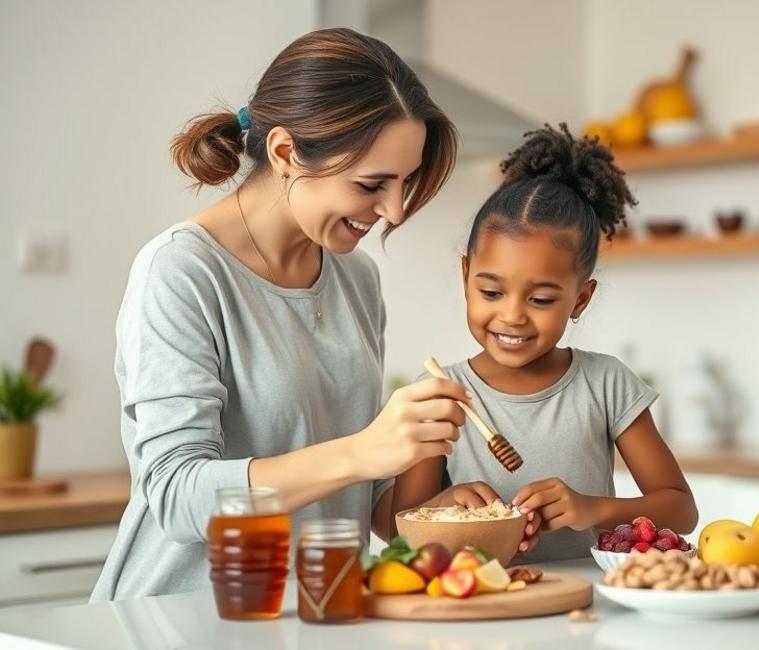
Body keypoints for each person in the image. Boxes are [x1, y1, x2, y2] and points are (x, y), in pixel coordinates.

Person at [92, 27, 485, 601]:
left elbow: (345, 491)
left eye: (405, 183)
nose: (395, 211)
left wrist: (428, 513)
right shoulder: (182, 272)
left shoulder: (355, 278)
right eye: (371, 184)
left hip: (319, 618)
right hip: (182, 621)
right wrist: (362, 450)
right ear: (284, 152)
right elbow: (177, 497)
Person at [393, 124, 698, 562]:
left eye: (539, 299)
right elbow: (399, 527)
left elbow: (681, 509)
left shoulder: (606, 383)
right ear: (465, 278)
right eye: (491, 292)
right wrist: (442, 507)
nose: (512, 315)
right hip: (475, 603)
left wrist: (590, 509)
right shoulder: (441, 393)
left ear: (580, 299)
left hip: (587, 609)